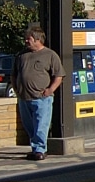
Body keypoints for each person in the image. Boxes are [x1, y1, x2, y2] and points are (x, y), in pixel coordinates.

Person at [14, 24, 64, 161]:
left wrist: (50, 90)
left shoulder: (50, 55)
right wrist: (17, 89)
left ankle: (40, 150)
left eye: (28, 39)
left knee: (41, 125)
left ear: (37, 39)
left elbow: (59, 75)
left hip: (42, 99)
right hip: (24, 98)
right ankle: (35, 148)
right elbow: (14, 74)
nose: (25, 41)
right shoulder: (21, 55)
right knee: (29, 126)